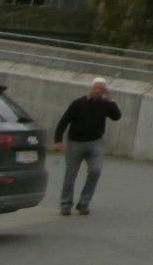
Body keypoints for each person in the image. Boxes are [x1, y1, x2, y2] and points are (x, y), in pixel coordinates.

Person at [52, 77, 121, 216]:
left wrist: (111, 99)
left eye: (102, 89)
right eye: (96, 87)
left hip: (95, 143)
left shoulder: (105, 104)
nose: (98, 91)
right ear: (91, 88)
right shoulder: (78, 103)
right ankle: (66, 204)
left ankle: (84, 203)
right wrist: (58, 140)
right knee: (70, 175)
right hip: (75, 143)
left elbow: (116, 116)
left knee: (95, 171)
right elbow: (64, 121)